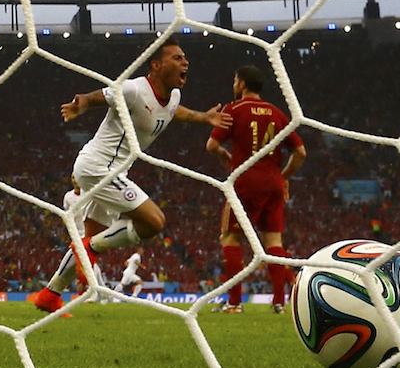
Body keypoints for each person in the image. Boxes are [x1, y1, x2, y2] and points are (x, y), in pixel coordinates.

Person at [34, 37, 232, 314]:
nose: (185, 62)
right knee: (154, 222)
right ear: (156, 65)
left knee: (91, 238)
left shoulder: (173, 96)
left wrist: (204, 117)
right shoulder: (134, 89)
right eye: (176, 58)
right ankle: (90, 249)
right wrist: (83, 104)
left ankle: (50, 294)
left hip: (114, 171)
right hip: (97, 167)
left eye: (185, 58)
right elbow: (101, 96)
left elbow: (173, 112)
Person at [206, 65, 306, 314]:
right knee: (273, 241)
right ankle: (279, 302)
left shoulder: (234, 110)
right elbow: (300, 152)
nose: (234, 85)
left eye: (235, 81)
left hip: (244, 182)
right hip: (272, 184)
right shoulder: (277, 113)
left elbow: (211, 145)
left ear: (241, 84)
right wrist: (283, 177)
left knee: (230, 238)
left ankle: (234, 303)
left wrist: (223, 154)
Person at [64, 174, 107, 303]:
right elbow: (67, 216)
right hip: (76, 234)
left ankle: (94, 293)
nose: (75, 181)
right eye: (73, 178)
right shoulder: (68, 197)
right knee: (88, 262)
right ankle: (103, 291)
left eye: (77, 177)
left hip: (89, 233)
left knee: (85, 261)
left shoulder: (89, 193)